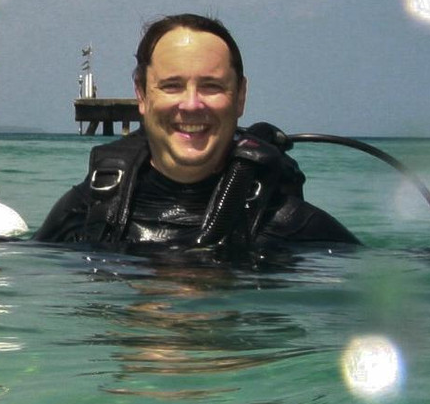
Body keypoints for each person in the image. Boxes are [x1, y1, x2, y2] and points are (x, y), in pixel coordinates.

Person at [35, 14, 358, 254]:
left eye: (211, 86)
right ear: (142, 95)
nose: (191, 104)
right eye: (172, 86)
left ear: (240, 96)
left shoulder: (293, 225)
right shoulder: (87, 211)